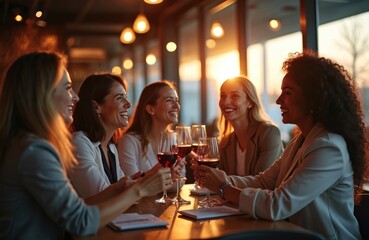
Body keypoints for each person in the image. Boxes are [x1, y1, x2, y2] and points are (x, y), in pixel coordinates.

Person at [0, 51, 172, 239]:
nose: (75, 97)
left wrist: (120, 188)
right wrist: (140, 190)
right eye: (67, 88)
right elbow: (80, 221)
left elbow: (79, 206)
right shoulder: (34, 151)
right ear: (42, 94)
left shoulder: (26, 144)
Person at [195, 51, 365, 239]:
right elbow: (262, 182)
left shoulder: (329, 148)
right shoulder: (301, 141)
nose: (278, 100)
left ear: (312, 99)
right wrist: (219, 179)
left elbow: (277, 205)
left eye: (288, 93)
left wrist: (224, 188)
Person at [68, 73, 137, 199]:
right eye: (119, 98)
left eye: (125, 98)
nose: (128, 104)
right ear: (96, 106)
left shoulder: (110, 146)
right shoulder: (79, 143)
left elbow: (123, 190)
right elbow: (100, 195)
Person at [118, 80, 185, 186]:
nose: (177, 106)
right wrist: (167, 178)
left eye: (176, 100)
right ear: (150, 109)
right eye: (169, 100)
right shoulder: (129, 141)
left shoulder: (174, 140)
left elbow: (180, 182)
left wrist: (173, 178)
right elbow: (131, 186)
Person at [217, 75, 283, 176]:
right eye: (223, 96)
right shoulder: (226, 143)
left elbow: (261, 182)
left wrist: (221, 180)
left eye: (235, 96)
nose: (226, 102)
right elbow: (219, 181)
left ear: (250, 102)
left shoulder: (269, 133)